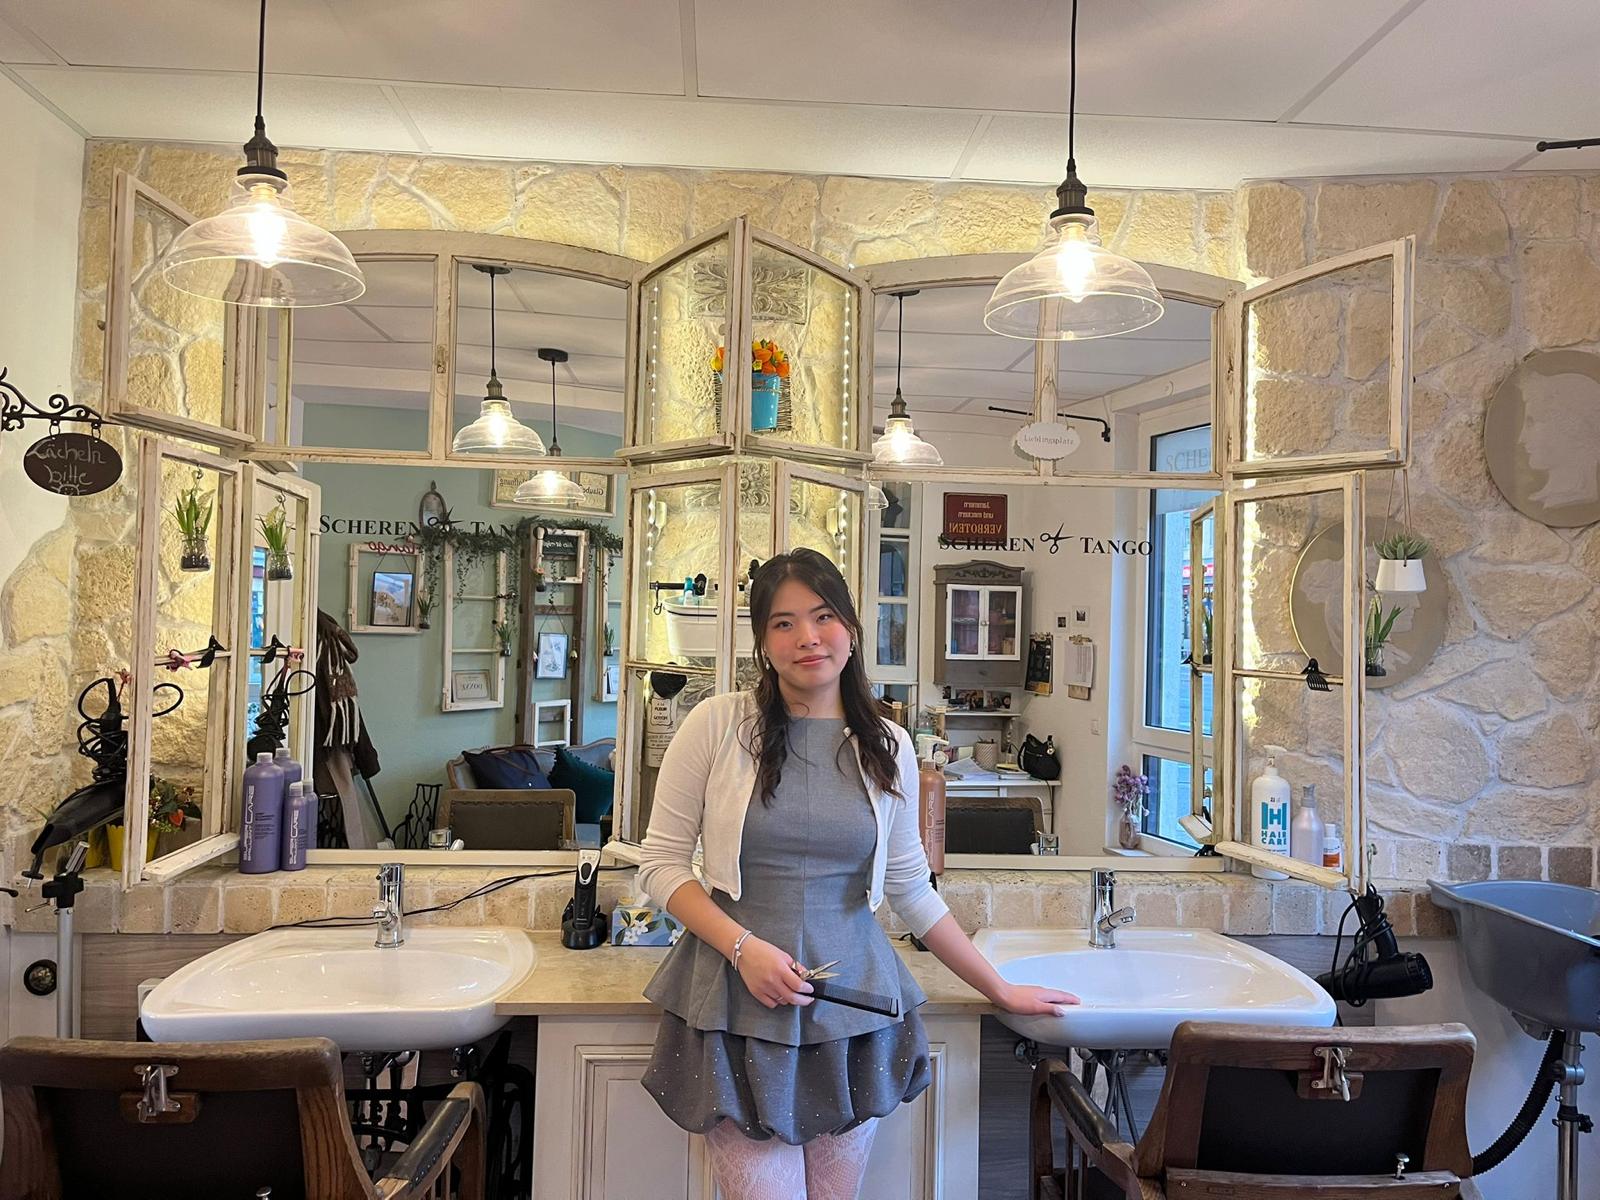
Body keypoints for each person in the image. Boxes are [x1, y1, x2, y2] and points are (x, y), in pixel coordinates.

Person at [637, 548, 1077, 1200]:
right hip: (736, 996)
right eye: (783, 622)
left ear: (851, 626)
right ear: (763, 641)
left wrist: (1000, 988)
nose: (807, 637)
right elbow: (661, 865)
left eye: (823, 616)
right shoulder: (717, 725)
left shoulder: (889, 746)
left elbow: (910, 888)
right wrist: (743, 948)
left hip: (853, 1007)